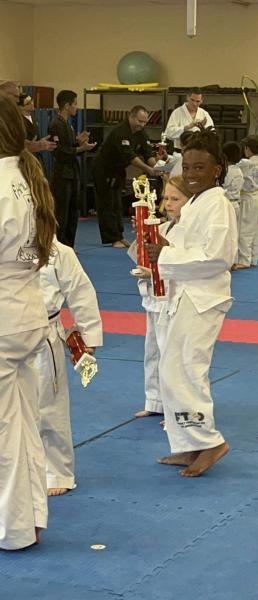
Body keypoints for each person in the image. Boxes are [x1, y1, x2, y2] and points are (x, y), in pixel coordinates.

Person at [146, 131, 238, 477]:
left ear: (217, 168)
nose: (193, 174)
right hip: (184, 294)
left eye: (201, 167)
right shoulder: (197, 202)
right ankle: (189, 444)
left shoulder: (218, 203)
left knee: (187, 370)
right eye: (187, 167)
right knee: (172, 370)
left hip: (203, 298)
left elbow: (218, 256)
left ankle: (210, 442)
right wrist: (155, 248)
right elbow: (181, 245)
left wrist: (165, 254)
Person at [0, 92, 56, 550]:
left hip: (2, 317)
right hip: (26, 313)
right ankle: (31, 516)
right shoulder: (24, 174)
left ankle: (15, 529)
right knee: (20, 423)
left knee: (5, 430)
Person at [35, 239, 102, 496]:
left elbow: (81, 292)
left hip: (44, 334)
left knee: (49, 406)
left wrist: (88, 335)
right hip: (8, 332)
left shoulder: (59, 253)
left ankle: (58, 470)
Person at [129, 176, 191, 418]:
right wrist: (141, 234)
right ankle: (154, 401)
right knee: (152, 351)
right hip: (153, 295)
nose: (169, 203)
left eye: (176, 198)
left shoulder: (189, 232)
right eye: (166, 198)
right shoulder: (162, 227)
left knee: (171, 355)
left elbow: (187, 262)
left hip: (173, 297)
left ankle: (176, 409)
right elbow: (140, 255)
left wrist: (163, 259)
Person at [92, 105, 156, 248]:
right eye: (140, 121)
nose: (142, 125)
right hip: (104, 169)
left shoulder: (140, 133)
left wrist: (157, 167)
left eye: (145, 122)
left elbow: (148, 153)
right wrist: (148, 169)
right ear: (131, 117)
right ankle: (112, 238)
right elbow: (130, 156)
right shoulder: (120, 132)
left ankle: (119, 235)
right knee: (107, 203)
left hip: (118, 169)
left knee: (117, 204)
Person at [48, 89, 96, 248]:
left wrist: (78, 142)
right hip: (62, 173)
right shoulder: (55, 125)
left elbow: (68, 146)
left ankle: (69, 245)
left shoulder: (67, 125)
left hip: (72, 172)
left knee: (72, 210)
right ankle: (60, 246)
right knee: (62, 212)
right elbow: (59, 151)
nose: (76, 107)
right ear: (67, 105)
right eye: (75, 103)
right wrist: (80, 149)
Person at [233, 135, 258, 270]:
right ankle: (253, 258)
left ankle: (244, 260)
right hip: (257, 197)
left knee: (244, 229)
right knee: (255, 229)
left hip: (247, 198)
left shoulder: (245, 163)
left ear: (247, 148)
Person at [0, 80, 57, 153]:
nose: (17, 101)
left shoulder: (10, 117)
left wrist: (38, 145)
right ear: (3, 94)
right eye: (15, 96)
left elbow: (16, 141)